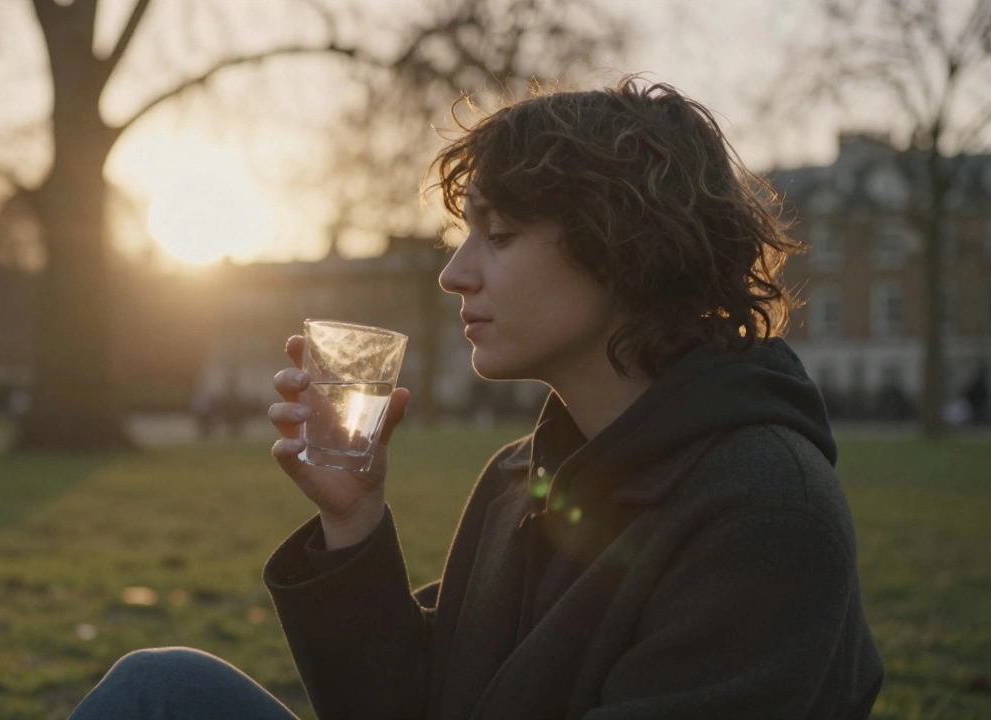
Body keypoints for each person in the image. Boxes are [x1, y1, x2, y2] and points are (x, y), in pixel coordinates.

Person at [69, 76, 884, 719]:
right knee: (161, 692)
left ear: (622, 247)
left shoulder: (765, 514)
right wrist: (353, 523)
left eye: (498, 236)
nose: (454, 274)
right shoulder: (518, 479)